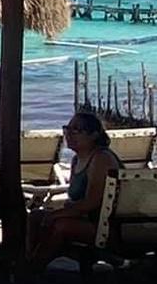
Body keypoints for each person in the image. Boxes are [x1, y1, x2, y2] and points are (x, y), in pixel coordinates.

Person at [28, 108, 122, 273]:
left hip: (107, 225)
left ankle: (33, 268)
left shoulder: (101, 158)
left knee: (60, 225)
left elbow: (92, 202)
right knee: (35, 217)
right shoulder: (76, 160)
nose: (69, 135)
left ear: (94, 135)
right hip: (85, 218)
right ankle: (26, 259)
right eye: (67, 129)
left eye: (76, 130)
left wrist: (56, 215)